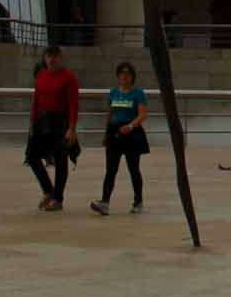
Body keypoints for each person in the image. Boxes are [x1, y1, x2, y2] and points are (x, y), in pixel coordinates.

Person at [25, 44, 80, 211]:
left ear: (60, 58)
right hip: (42, 121)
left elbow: (73, 104)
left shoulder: (69, 77)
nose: (52, 59)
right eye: (49, 56)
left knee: (61, 160)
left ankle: (58, 198)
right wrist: (32, 123)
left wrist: (71, 127)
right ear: (45, 58)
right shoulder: (41, 75)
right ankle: (48, 190)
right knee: (32, 156)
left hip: (60, 122)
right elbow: (36, 101)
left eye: (55, 56)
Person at [91, 61, 150, 215]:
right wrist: (106, 133)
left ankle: (138, 201)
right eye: (122, 73)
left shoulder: (138, 93)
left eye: (127, 73)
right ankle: (104, 201)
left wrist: (131, 126)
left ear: (132, 76)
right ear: (117, 76)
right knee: (110, 169)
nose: (124, 76)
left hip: (131, 134)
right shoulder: (113, 93)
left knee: (133, 169)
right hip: (114, 133)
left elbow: (142, 114)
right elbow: (110, 114)